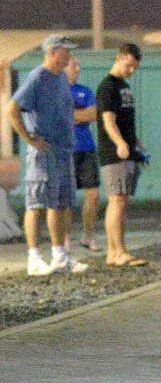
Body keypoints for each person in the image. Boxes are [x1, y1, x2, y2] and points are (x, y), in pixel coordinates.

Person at [6, 35, 84, 276]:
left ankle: (60, 256)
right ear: (52, 52)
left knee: (60, 203)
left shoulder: (61, 77)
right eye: (65, 52)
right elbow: (13, 108)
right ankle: (34, 258)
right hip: (44, 153)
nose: (69, 57)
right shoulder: (38, 76)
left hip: (62, 150)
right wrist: (29, 138)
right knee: (37, 203)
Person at [95, 43, 146, 267]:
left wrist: (135, 141)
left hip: (127, 150)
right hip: (114, 153)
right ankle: (117, 251)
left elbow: (125, 119)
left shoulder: (123, 86)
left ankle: (115, 252)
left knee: (122, 201)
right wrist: (120, 143)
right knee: (116, 200)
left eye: (135, 67)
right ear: (120, 58)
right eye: (129, 65)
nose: (131, 71)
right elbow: (108, 120)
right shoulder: (108, 86)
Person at [66, 56, 101, 257]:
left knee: (93, 195)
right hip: (66, 151)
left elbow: (93, 114)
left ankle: (88, 235)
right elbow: (58, 117)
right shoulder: (57, 92)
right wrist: (79, 115)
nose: (78, 69)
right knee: (67, 198)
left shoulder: (85, 91)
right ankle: (65, 239)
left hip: (86, 149)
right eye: (74, 65)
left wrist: (71, 115)